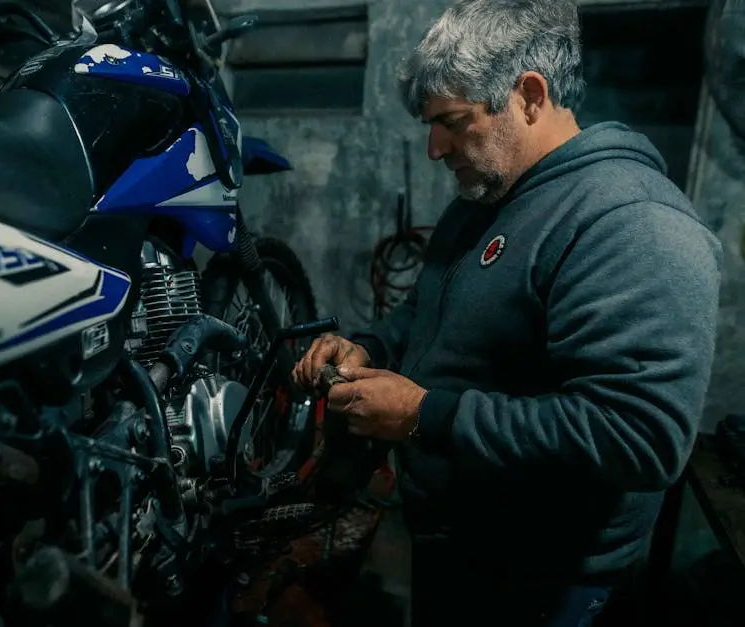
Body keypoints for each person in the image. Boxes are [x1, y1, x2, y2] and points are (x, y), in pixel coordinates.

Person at [291, 0, 723, 625]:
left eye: (453, 122)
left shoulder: (632, 224)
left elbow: (640, 437)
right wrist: (372, 349)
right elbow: (428, 314)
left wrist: (422, 416)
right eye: (429, 124)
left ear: (528, 95)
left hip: (542, 581)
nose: (436, 148)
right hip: (460, 546)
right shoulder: (487, 195)